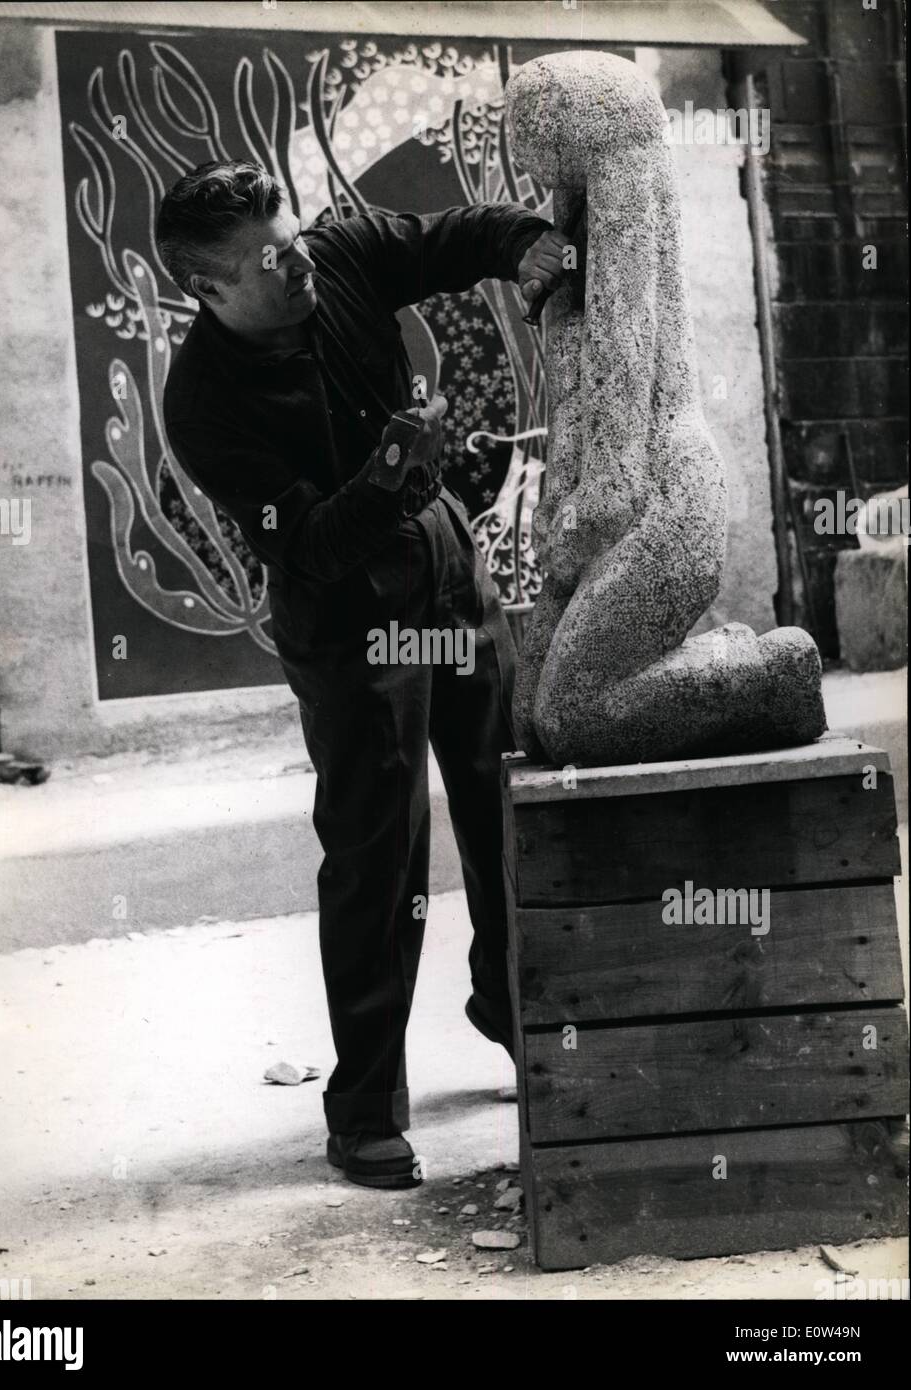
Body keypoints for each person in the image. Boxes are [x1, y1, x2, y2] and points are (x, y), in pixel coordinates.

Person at [157, 160, 565, 1188]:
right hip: (347, 619)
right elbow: (309, 546)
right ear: (208, 290)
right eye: (267, 261)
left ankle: (511, 1008)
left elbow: (449, 237)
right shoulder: (201, 405)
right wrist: (393, 468)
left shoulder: (331, 255)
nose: (295, 265)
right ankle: (364, 1107)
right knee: (379, 857)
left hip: (443, 569)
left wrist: (528, 244)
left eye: (291, 240)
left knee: (506, 809)